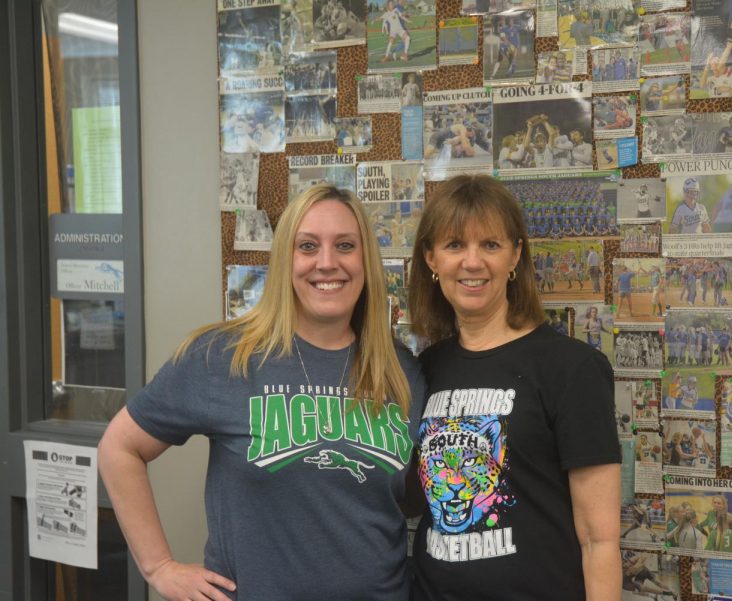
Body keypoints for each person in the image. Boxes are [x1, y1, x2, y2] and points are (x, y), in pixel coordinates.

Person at [98, 185, 426, 600]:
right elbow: (119, 447)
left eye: (345, 245)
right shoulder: (224, 357)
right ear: (285, 260)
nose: (327, 263)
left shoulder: (402, 371)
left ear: (366, 262)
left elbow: (409, 498)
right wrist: (158, 567)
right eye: (307, 246)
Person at [408, 175, 621, 600]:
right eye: (454, 245)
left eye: (490, 244)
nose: (473, 262)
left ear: (515, 256)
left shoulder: (572, 368)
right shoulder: (423, 370)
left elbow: (600, 541)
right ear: (431, 259)